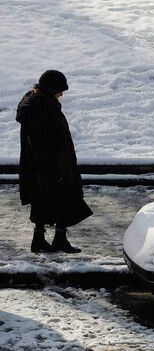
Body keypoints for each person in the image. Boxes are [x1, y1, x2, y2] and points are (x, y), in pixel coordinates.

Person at [16, 70, 93, 254]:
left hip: (40, 166)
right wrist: (60, 168)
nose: (62, 94)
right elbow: (49, 141)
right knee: (66, 198)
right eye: (60, 90)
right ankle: (59, 239)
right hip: (53, 165)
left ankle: (39, 240)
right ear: (51, 89)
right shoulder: (44, 108)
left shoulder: (35, 103)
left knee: (42, 202)